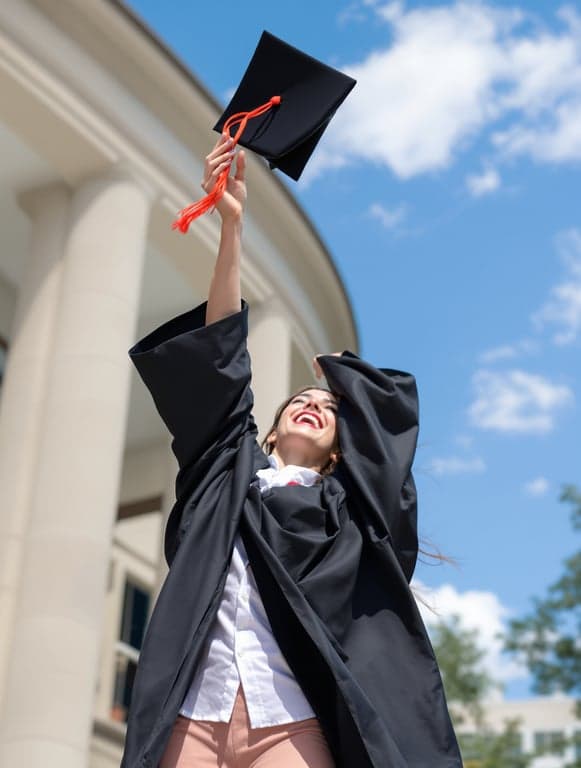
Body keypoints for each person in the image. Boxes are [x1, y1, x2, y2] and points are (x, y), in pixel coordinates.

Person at [121, 135, 462, 768]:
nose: (314, 405)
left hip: (290, 724)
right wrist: (231, 227)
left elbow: (388, 428)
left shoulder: (350, 517)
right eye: (301, 400)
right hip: (194, 716)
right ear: (270, 433)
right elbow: (220, 360)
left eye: (330, 409)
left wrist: (338, 374)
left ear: (339, 452)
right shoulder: (226, 477)